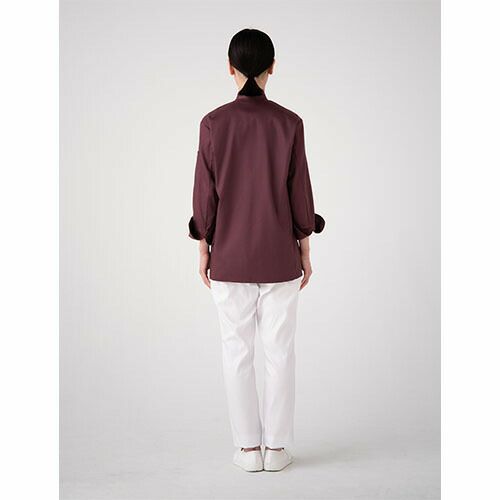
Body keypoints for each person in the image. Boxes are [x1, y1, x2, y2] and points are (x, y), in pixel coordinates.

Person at [188, 28, 325, 472]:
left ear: (229, 68)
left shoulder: (213, 124)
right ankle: (277, 449)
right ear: (272, 67)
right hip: (279, 256)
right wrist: (305, 247)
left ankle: (248, 449)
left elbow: (205, 194)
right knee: (280, 353)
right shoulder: (289, 123)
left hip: (230, 257)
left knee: (237, 353)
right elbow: (300, 192)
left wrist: (204, 246)